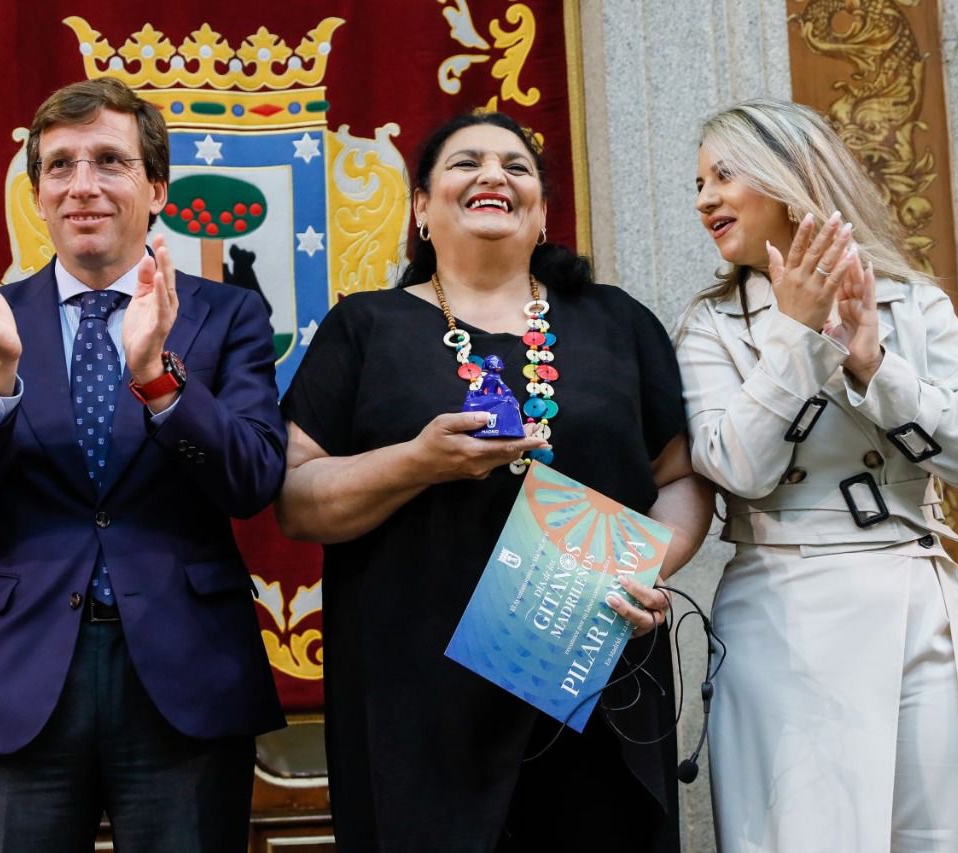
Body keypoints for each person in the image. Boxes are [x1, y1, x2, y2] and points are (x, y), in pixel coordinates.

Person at [276, 112, 713, 852]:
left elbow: (684, 479)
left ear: (541, 210)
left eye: (516, 167)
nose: (492, 176)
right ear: (420, 208)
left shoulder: (615, 321)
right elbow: (295, 500)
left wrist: (639, 569)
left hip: (590, 668)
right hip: (416, 686)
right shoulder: (364, 327)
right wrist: (418, 461)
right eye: (465, 162)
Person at [0, 78, 287, 852]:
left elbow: (253, 480)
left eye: (109, 162)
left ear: (155, 189)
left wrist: (158, 379)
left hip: (186, 675)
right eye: (60, 167)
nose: (82, 186)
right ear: (38, 196)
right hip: (14, 677)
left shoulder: (227, 313)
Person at [674, 98, 958, 852]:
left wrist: (875, 365)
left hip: (918, 599)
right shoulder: (710, 325)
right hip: (781, 608)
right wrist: (797, 339)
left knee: (946, 833)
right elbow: (734, 465)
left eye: (723, 175)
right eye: (698, 182)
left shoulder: (911, 301)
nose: (704, 199)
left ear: (789, 177)